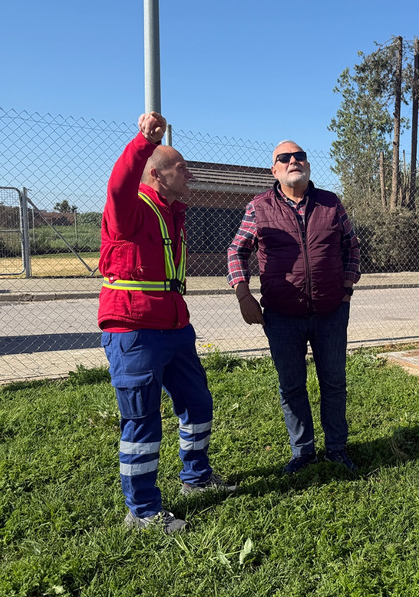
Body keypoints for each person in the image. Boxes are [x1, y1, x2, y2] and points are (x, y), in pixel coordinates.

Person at [99, 111, 235, 534]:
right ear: (156, 174)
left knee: (198, 403)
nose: (190, 174)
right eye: (181, 167)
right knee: (142, 420)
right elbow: (119, 184)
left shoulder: (173, 212)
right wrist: (144, 143)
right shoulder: (131, 207)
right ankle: (142, 511)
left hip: (175, 327)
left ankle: (196, 477)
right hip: (134, 329)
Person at [227, 141, 361, 474]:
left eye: (299, 156)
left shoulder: (331, 203)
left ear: (308, 165)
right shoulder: (259, 207)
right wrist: (243, 294)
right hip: (282, 316)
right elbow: (236, 251)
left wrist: (346, 290)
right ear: (274, 170)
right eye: (284, 158)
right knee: (291, 385)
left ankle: (336, 449)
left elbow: (352, 247)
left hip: (331, 312)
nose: (293, 161)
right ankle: (303, 452)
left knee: (334, 383)